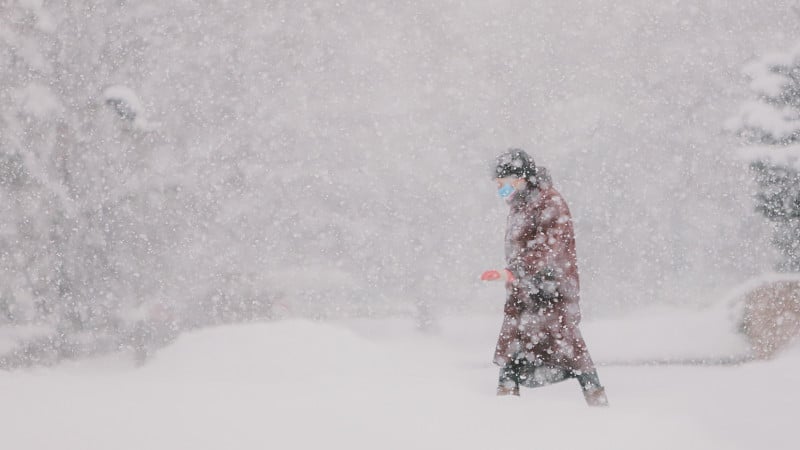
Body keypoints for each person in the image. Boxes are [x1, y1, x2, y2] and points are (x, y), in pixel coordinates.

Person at [481, 149, 608, 407]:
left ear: (519, 178)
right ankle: (505, 401)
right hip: (525, 290)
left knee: (567, 345)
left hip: (552, 289)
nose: (499, 188)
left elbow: (548, 247)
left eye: (501, 182)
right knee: (515, 346)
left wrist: (514, 271)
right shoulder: (519, 203)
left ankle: (597, 401)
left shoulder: (549, 202)